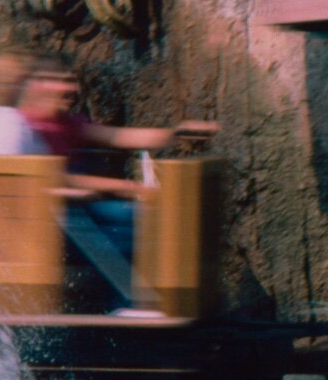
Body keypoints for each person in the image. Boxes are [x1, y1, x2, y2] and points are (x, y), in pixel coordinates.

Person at [13, 58, 216, 317]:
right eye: (61, 81)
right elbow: (54, 178)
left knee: (144, 217)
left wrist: (174, 133)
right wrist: (125, 186)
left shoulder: (67, 123)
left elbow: (118, 136)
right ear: (37, 85)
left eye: (71, 81)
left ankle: (164, 300)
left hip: (80, 206)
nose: (72, 89)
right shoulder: (24, 127)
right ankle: (124, 303)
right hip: (44, 219)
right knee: (112, 234)